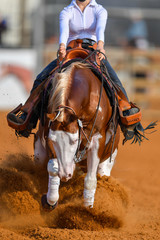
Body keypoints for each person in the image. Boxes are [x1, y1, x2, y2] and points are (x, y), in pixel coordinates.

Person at [7, 0, 141, 140]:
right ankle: (28, 116)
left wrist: (100, 46)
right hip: (70, 50)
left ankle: (126, 114)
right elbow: (64, 32)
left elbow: (100, 30)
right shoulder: (67, 11)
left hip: (93, 51)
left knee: (115, 81)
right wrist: (62, 47)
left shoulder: (99, 10)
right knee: (41, 78)